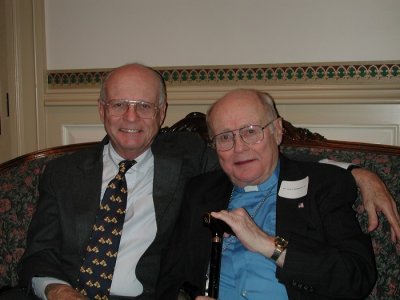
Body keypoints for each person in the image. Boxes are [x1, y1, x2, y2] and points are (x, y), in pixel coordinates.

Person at [3, 64, 398, 300]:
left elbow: (276, 159)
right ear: (101, 109)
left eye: (143, 106)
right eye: (119, 104)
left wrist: (357, 171)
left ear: (161, 113)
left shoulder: (187, 160)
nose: (130, 117)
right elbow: (37, 255)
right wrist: (59, 292)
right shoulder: (62, 173)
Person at [157, 89, 378, 299]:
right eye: (225, 137)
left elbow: (357, 277)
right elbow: (171, 278)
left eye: (251, 131)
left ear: (278, 130)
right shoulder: (200, 191)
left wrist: (268, 244)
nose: (239, 147)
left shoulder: (321, 185)